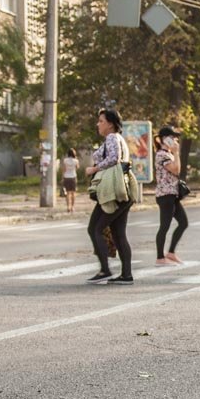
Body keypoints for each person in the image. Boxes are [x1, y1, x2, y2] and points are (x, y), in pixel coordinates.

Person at [85, 109, 134, 285]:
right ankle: (126, 275)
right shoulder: (118, 139)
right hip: (123, 191)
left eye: (101, 121)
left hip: (112, 193)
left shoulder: (112, 137)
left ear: (111, 124)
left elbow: (114, 158)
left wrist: (94, 169)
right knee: (118, 233)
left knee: (95, 228)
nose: (98, 124)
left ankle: (105, 270)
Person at [153, 126, 188, 266]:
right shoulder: (161, 155)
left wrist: (175, 153)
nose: (175, 140)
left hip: (172, 195)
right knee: (164, 226)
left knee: (183, 223)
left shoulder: (169, 154)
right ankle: (160, 258)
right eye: (172, 137)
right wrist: (176, 152)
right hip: (165, 195)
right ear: (164, 139)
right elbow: (176, 170)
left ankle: (171, 253)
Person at [61, 148, 80, 213]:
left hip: (66, 177)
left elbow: (64, 169)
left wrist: (62, 178)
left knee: (68, 193)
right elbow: (77, 167)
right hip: (73, 177)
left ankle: (68, 207)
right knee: (73, 193)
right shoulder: (76, 161)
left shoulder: (65, 160)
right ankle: (72, 207)